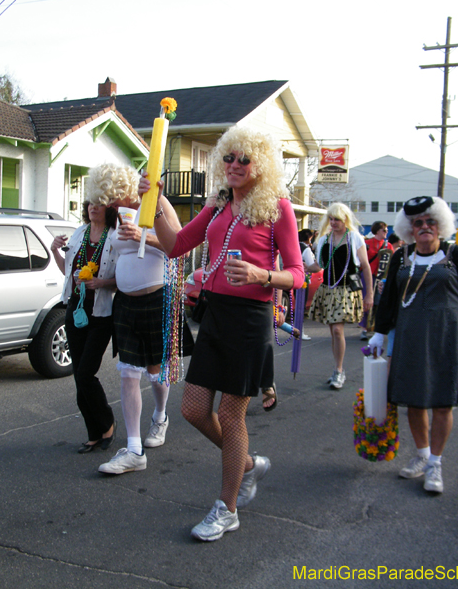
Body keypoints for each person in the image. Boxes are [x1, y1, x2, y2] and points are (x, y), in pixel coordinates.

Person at [139, 126, 304, 541]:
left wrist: (261, 273)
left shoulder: (278, 208)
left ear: (260, 165)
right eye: (228, 158)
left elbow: (299, 274)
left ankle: (227, 508)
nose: (233, 165)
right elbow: (175, 245)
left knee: (232, 415)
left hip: (250, 319)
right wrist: (154, 199)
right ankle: (246, 464)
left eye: (243, 160)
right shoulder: (217, 206)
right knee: (193, 410)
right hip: (214, 315)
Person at [370, 196, 458, 494]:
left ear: (440, 225)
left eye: (430, 222)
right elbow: (388, 301)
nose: (425, 227)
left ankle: (436, 462)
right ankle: (422, 455)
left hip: (447, 336)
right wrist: (379, 333)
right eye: (418, 223)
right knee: (413, 399)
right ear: (410, 228)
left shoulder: (454, 254)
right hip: (410, 336)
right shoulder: (401, 256)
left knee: (441, 400)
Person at [97, 163, 182, 475]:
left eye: (116, 196)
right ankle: (134, 449)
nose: (114, 204)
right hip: (126, 303)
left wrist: (142, 237)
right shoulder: (115, 211)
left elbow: (179, 247)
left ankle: (160, 416)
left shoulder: (156, 201)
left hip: (157, 297)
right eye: (109, 199)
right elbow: (117, 253)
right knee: (128, 373)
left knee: (155, 370)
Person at [50, 168, 119, 454]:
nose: (92, 208)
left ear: (108, 208)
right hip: (74, 310)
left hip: (100, 315)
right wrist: (55, 250)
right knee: (79, 375)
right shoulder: (79, 233)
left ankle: (107, 424)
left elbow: (123, 280)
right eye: (90, 204)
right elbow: (67, 272)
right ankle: (94, 433)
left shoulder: (116, 238)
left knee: (86, 373)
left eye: (98, 204)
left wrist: (101, 282)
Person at [306, 203, 373, 389]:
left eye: (337, 219)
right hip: (327, 290)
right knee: (334, 332)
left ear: (345, 220)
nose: (334, 222)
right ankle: (337, 368)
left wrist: (370, 295)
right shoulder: (324, 239)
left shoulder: (354, 238)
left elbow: (365, 266)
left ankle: (339, 370)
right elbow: (319, 266)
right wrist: (301, 267)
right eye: (331, 219)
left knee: (337, 330)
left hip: (346, 291)